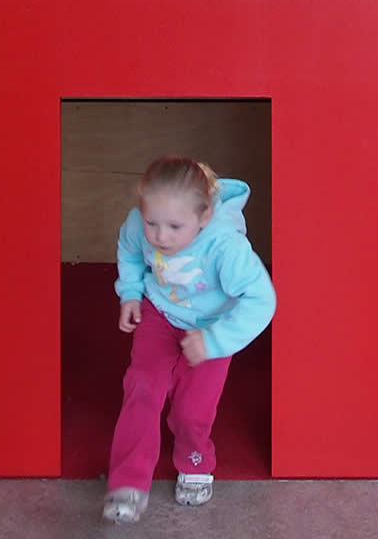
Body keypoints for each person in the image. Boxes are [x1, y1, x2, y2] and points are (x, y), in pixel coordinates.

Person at [103, 156, 276, 524]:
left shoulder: (226, 247)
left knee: (192, 408)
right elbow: (131, 250)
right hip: (160, 314)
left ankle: (195, 461)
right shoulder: (139, 223)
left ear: (205, 217)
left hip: (211, 325)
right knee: (142, 386)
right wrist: (131, 293)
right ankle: (128, 483)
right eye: (152, 222)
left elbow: (262, 300)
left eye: (174, 227)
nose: (161, 237)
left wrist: (214, 341)